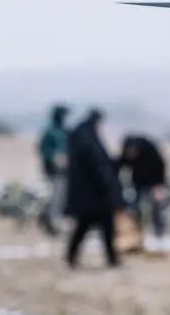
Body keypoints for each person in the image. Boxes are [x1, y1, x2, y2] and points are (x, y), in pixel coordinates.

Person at [65, 109, 123, 268]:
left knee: (92, 226)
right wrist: (109, 185)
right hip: (94, 194)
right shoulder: (88, 139)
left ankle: (110, 259)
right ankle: (110, 259)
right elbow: (98, 166)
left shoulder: (82, 136)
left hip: (89, 194)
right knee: (94, 226)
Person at [116, 136, 169, 238]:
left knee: (158, 205)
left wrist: (159, 186)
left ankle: (159, 233)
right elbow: (118, 166)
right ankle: (136, 230)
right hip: (138, 182)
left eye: (132, 154)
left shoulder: (150, 151)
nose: (131, 157)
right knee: (134, 206)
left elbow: (160, 165)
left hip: (155, 182)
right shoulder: (126, 154)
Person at [37, 104, 70, 235]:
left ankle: (50, 218)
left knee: (62, 197)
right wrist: (54, 157)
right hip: (53, 169)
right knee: (56, 196)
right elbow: (43, 149)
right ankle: (52, 222)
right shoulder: (50, 131)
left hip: (66, 170)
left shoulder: (64, 131)